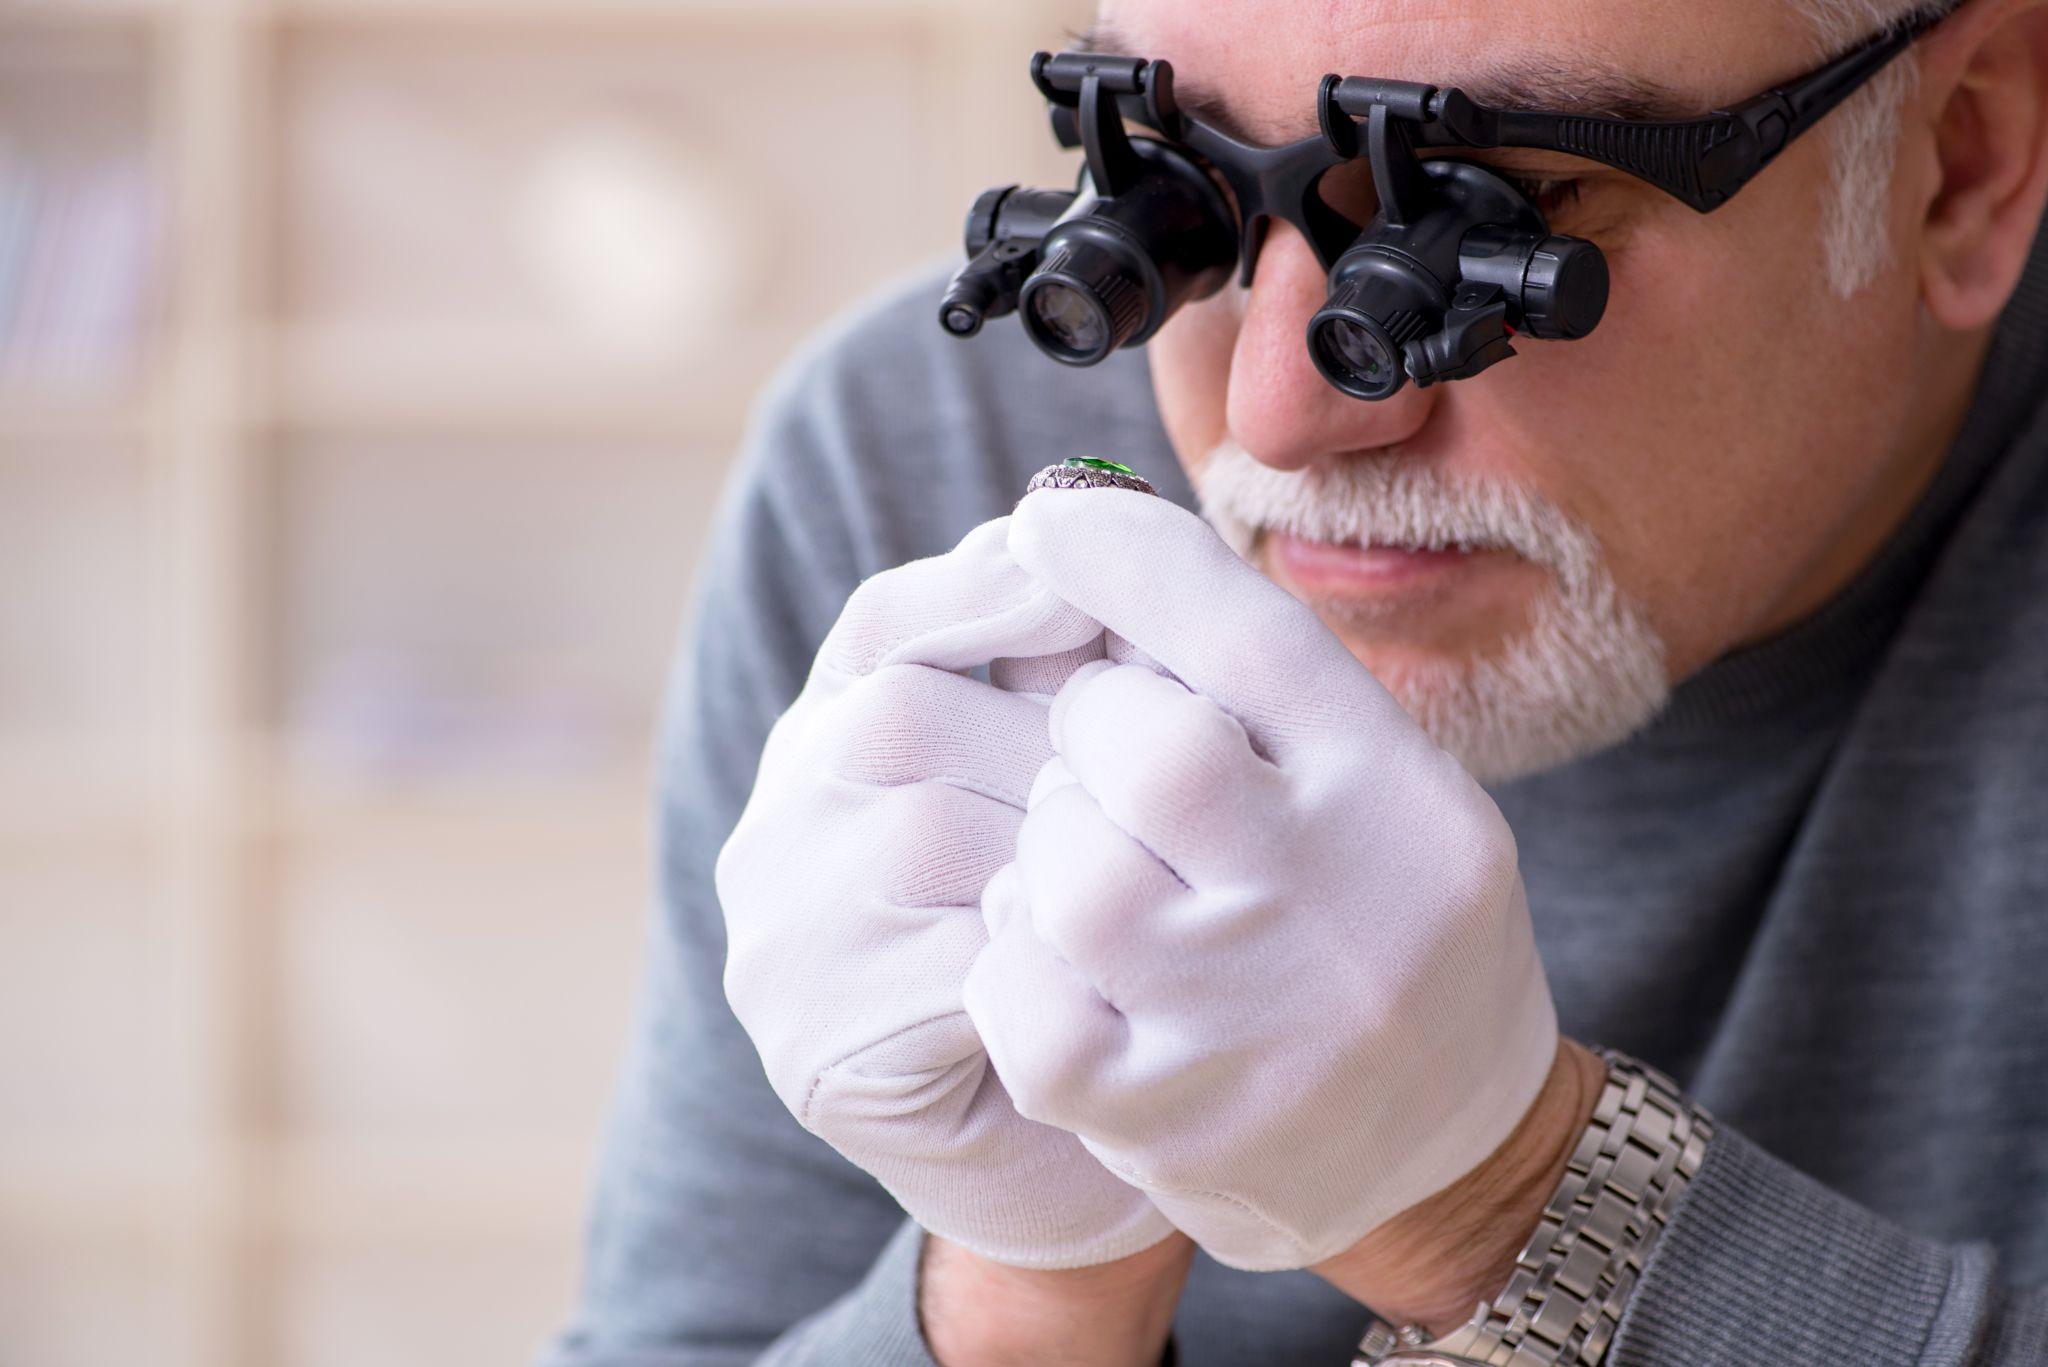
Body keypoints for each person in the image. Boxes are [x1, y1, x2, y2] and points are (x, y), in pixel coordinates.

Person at [542, 0, 2048, 1362]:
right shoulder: (908, 463)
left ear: (1962, 157)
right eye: (1172, 193)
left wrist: (1500, 1198)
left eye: (1496, 203)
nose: (1275, 412)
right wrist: (1022, 1292)